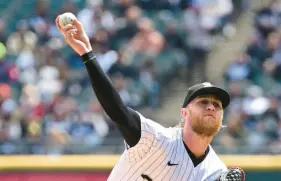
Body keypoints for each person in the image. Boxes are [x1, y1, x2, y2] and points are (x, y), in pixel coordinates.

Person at [55, 16, 245, 181]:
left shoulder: (215, 171)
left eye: (217, 105)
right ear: (184, 113)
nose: (211, 107)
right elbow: (118, 111)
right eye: (203, 102)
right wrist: (87, 54)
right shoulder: (156, 139)